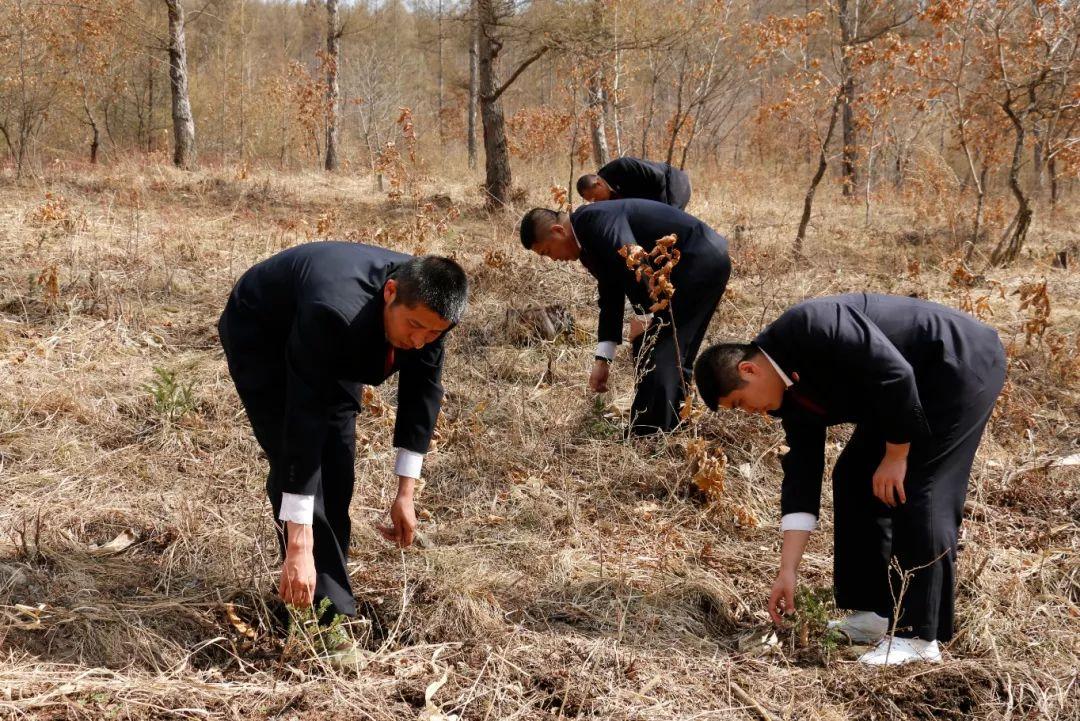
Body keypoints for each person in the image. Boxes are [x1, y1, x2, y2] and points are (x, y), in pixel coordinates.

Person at [693, 293, 1006, 665]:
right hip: (898, 394)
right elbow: (801, 480)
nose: (750, 413)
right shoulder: (788, 399)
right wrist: (787, 570)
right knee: (854, 477)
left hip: (956, 363)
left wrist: (896, 454)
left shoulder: (811, 325)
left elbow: (895, 373)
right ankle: (874, 614)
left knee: (923, 487)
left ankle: (920, 638)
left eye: (740, 404)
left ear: (748, 371)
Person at [218, 242, 467, 659]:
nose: (421, 341)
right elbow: (303, 421)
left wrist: (405, 493)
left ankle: (326, 584)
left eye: (434, 333)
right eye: (415, 327)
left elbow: (422, 395)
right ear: (390, 292)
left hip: (337, 338)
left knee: (338, 460)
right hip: (263, 329)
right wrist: (299, 545)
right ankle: (321, 616)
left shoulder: (429, 311)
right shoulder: (333, 310)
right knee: (295, 453)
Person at [520, 199, 730, 434]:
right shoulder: (587, 239)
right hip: (703, 260)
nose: (554, 259)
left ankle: (649, 433)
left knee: (659, 346)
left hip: (698, 260)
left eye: (548, 251)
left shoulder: (593, 220)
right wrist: (603, 359)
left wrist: (644, 315)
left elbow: (633, 259)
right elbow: (610, 294)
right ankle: (672, 425)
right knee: (673, 349)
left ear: (558, 231)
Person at [576, 156, 692, 210]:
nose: (596, 202)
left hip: (674, 183)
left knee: (670, 223)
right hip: (655, 198)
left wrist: (660, 209)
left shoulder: (622, 166)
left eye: (595, 198)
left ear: (599, 184)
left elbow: (658, 177)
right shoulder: (609, 198)